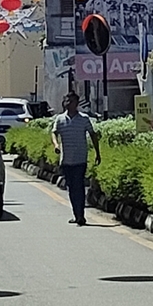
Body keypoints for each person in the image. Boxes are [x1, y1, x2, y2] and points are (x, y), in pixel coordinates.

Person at [50, 92, 101, 226]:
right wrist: (56, 145)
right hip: (66, 160)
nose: (67, 103)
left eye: (70, 101)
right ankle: (76, 214)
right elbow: (54, 132)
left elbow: (93, 134)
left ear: (76, 104)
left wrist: (97, 153)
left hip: (80, 159)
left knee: (78, 186)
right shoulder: (60, 119)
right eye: (66, 101)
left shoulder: (84, 119)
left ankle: (80, 215)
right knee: (71, 188)